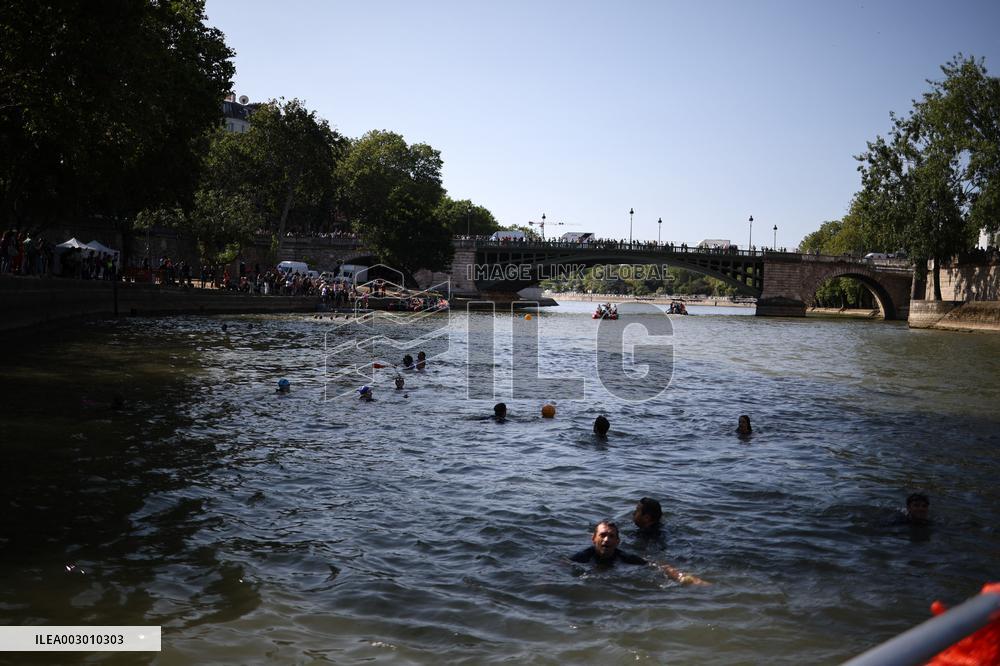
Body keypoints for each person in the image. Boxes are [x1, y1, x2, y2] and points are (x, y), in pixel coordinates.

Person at [568, 520, 708, 585]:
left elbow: (656, 565)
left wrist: (685, 578)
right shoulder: (582, 556)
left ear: (617, 541)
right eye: (603, 535)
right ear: (594, 538)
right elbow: (561, 565)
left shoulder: (625, 557)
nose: (606, 539)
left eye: (611, 536)